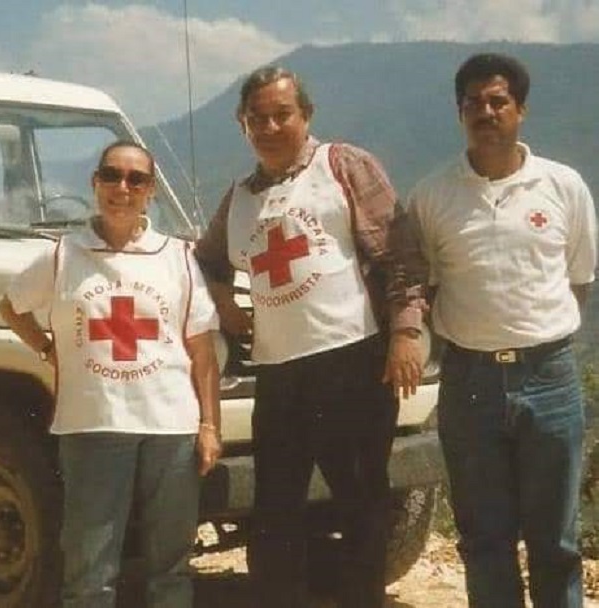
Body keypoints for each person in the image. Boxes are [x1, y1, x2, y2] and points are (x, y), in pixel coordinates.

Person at [194, 65, 427, 608]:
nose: (270, 127)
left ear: (307, 115)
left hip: (353, 361)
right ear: (242, 123)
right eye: (258, 118)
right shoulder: (240, 198)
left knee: (361, 504)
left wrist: (405, 332)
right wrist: (224, 300)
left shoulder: (342, 165)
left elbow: (400, 253)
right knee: (275, 511)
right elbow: (205, 262)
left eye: (283, 115)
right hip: (278, 374)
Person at [407, 53, 597, 607]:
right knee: (485, 539)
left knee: (556, 540)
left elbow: (578, 280)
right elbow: (424, 287)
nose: (486, 112)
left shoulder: (563, 186)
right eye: (474, 103)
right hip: (470, 381)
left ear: (521, 109)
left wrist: (535, 334)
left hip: (550, 378)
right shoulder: (432, 195)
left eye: (498, 101)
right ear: (459, 112)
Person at [0, 141, 222, 607]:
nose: (123, 188)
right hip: (93, 426)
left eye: (136, 179)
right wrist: (47, 349)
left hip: (170, 429)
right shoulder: (63, 256)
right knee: (89, 570)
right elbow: (11, 308)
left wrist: (209, 426)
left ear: (151, 190)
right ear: (95, 182)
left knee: (171, 568)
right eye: (112, 175)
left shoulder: (177, 257)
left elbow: (201, 349)